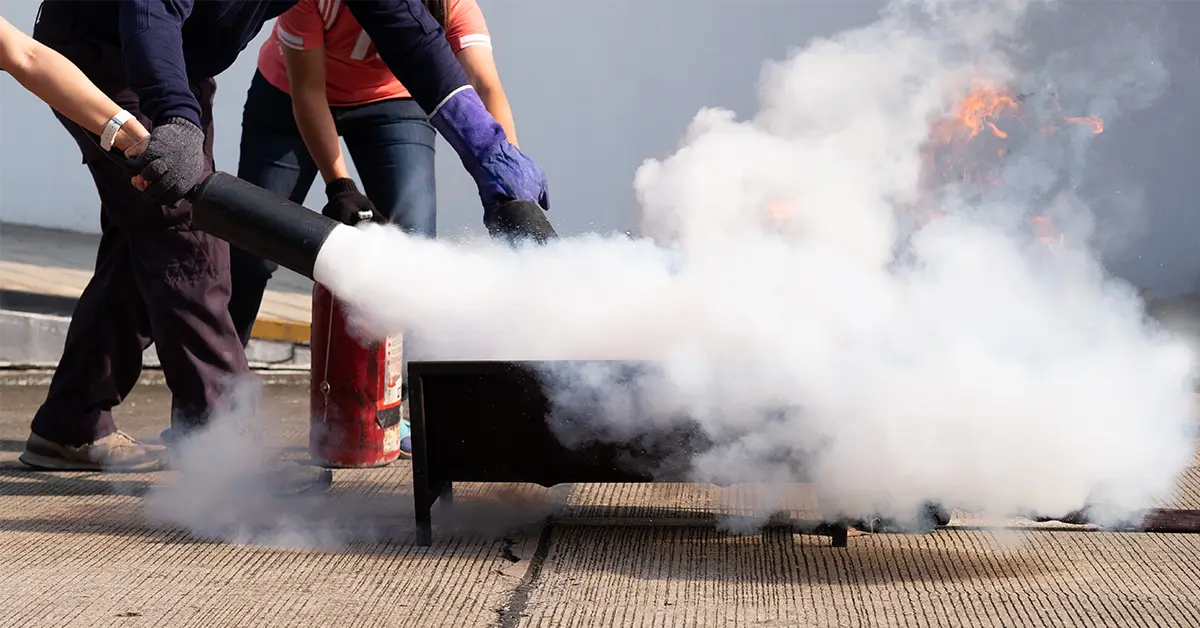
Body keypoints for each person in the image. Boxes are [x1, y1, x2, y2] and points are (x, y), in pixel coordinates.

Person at [19, 0, 550, 487]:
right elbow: (148, 10)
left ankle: (73, 423)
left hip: (175, 63)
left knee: (140, 243)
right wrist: (176, 116)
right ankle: (227, 447)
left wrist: (490, 154)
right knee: (188, 238)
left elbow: (415, 39)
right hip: (105, 55)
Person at [228, 0, 519, 456]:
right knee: (250, 249)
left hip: (391, 101)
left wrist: (509, 176)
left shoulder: (454, 5)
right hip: (288, 97)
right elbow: (308, 93)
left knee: (414, 250)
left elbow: (485, 87)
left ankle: (395, 409)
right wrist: (339, 183)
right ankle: (212, 401)